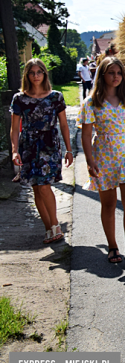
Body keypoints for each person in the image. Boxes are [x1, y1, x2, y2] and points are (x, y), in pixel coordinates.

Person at [81, 57, 125, 267]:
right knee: (109, 204)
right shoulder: (91, 102)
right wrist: (90, 161)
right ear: (102, 75)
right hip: (104, 154)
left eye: (119, 73)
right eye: (111, 73)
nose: (116, 77)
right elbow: (86, 135)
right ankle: (112, 246)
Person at [10, 59, 73, 244]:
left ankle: (55, 225)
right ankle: (49, 228)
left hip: (49, 145)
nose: (36, 75)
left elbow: (63, 124)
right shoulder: (19, 98)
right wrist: (14, 151)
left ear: (45, 74)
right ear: (27, 75)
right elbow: (14, 128)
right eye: (32, 72)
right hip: (28, 145)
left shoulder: (56, 97)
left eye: (39, 72)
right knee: (36, 188)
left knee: (45, 186)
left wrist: (69, 149)